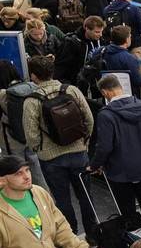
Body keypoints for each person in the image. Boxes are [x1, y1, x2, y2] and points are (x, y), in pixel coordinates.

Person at [88, 74, 141, 247]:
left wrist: (94, 165)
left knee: (128, 211)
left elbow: (104, 147)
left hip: (120, 172)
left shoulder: (106, 115)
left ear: (105, 92)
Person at [21, 56, 95, 238]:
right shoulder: (71, 90)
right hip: (78, 152)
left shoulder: (32, 101)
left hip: (51, 159)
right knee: (86, 196)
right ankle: (94, 233)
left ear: (33, 76)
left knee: (62, 199)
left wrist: (40, 149)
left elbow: (31, 134)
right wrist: (84, 141)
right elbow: (89, 119)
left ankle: (70, 234)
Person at [101, 25, 141, 100]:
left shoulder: (103, 51)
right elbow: (138, 81)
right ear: (127, 39)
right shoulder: (129, 58)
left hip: (109, 93)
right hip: (129, 94)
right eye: (130, 36)